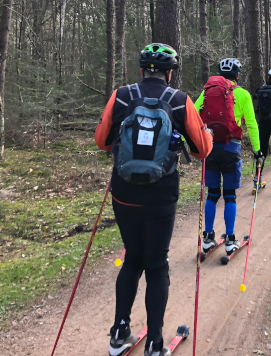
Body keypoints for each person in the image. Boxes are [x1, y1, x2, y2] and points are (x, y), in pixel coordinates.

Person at [95, 43, 213, 356]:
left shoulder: (121, 95)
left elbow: (101, 141)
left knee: (132, 258)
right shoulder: (179, 100)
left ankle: (119, 333)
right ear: (170, 73)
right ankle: (155, 344)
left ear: (142, 70)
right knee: (157, 264)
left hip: (124, 193)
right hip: (161, 196)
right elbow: (202, 150)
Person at [194, 58, 261, 256]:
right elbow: (251, 123)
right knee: (229, 195)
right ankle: (230, 240)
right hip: (231, 148)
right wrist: (258, 150)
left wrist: (188, 141)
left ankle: (207, 238)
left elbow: (195, 115)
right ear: (237, 75)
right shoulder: (242, 94)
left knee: (213, 194)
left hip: (209, 147)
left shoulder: (207, 92)